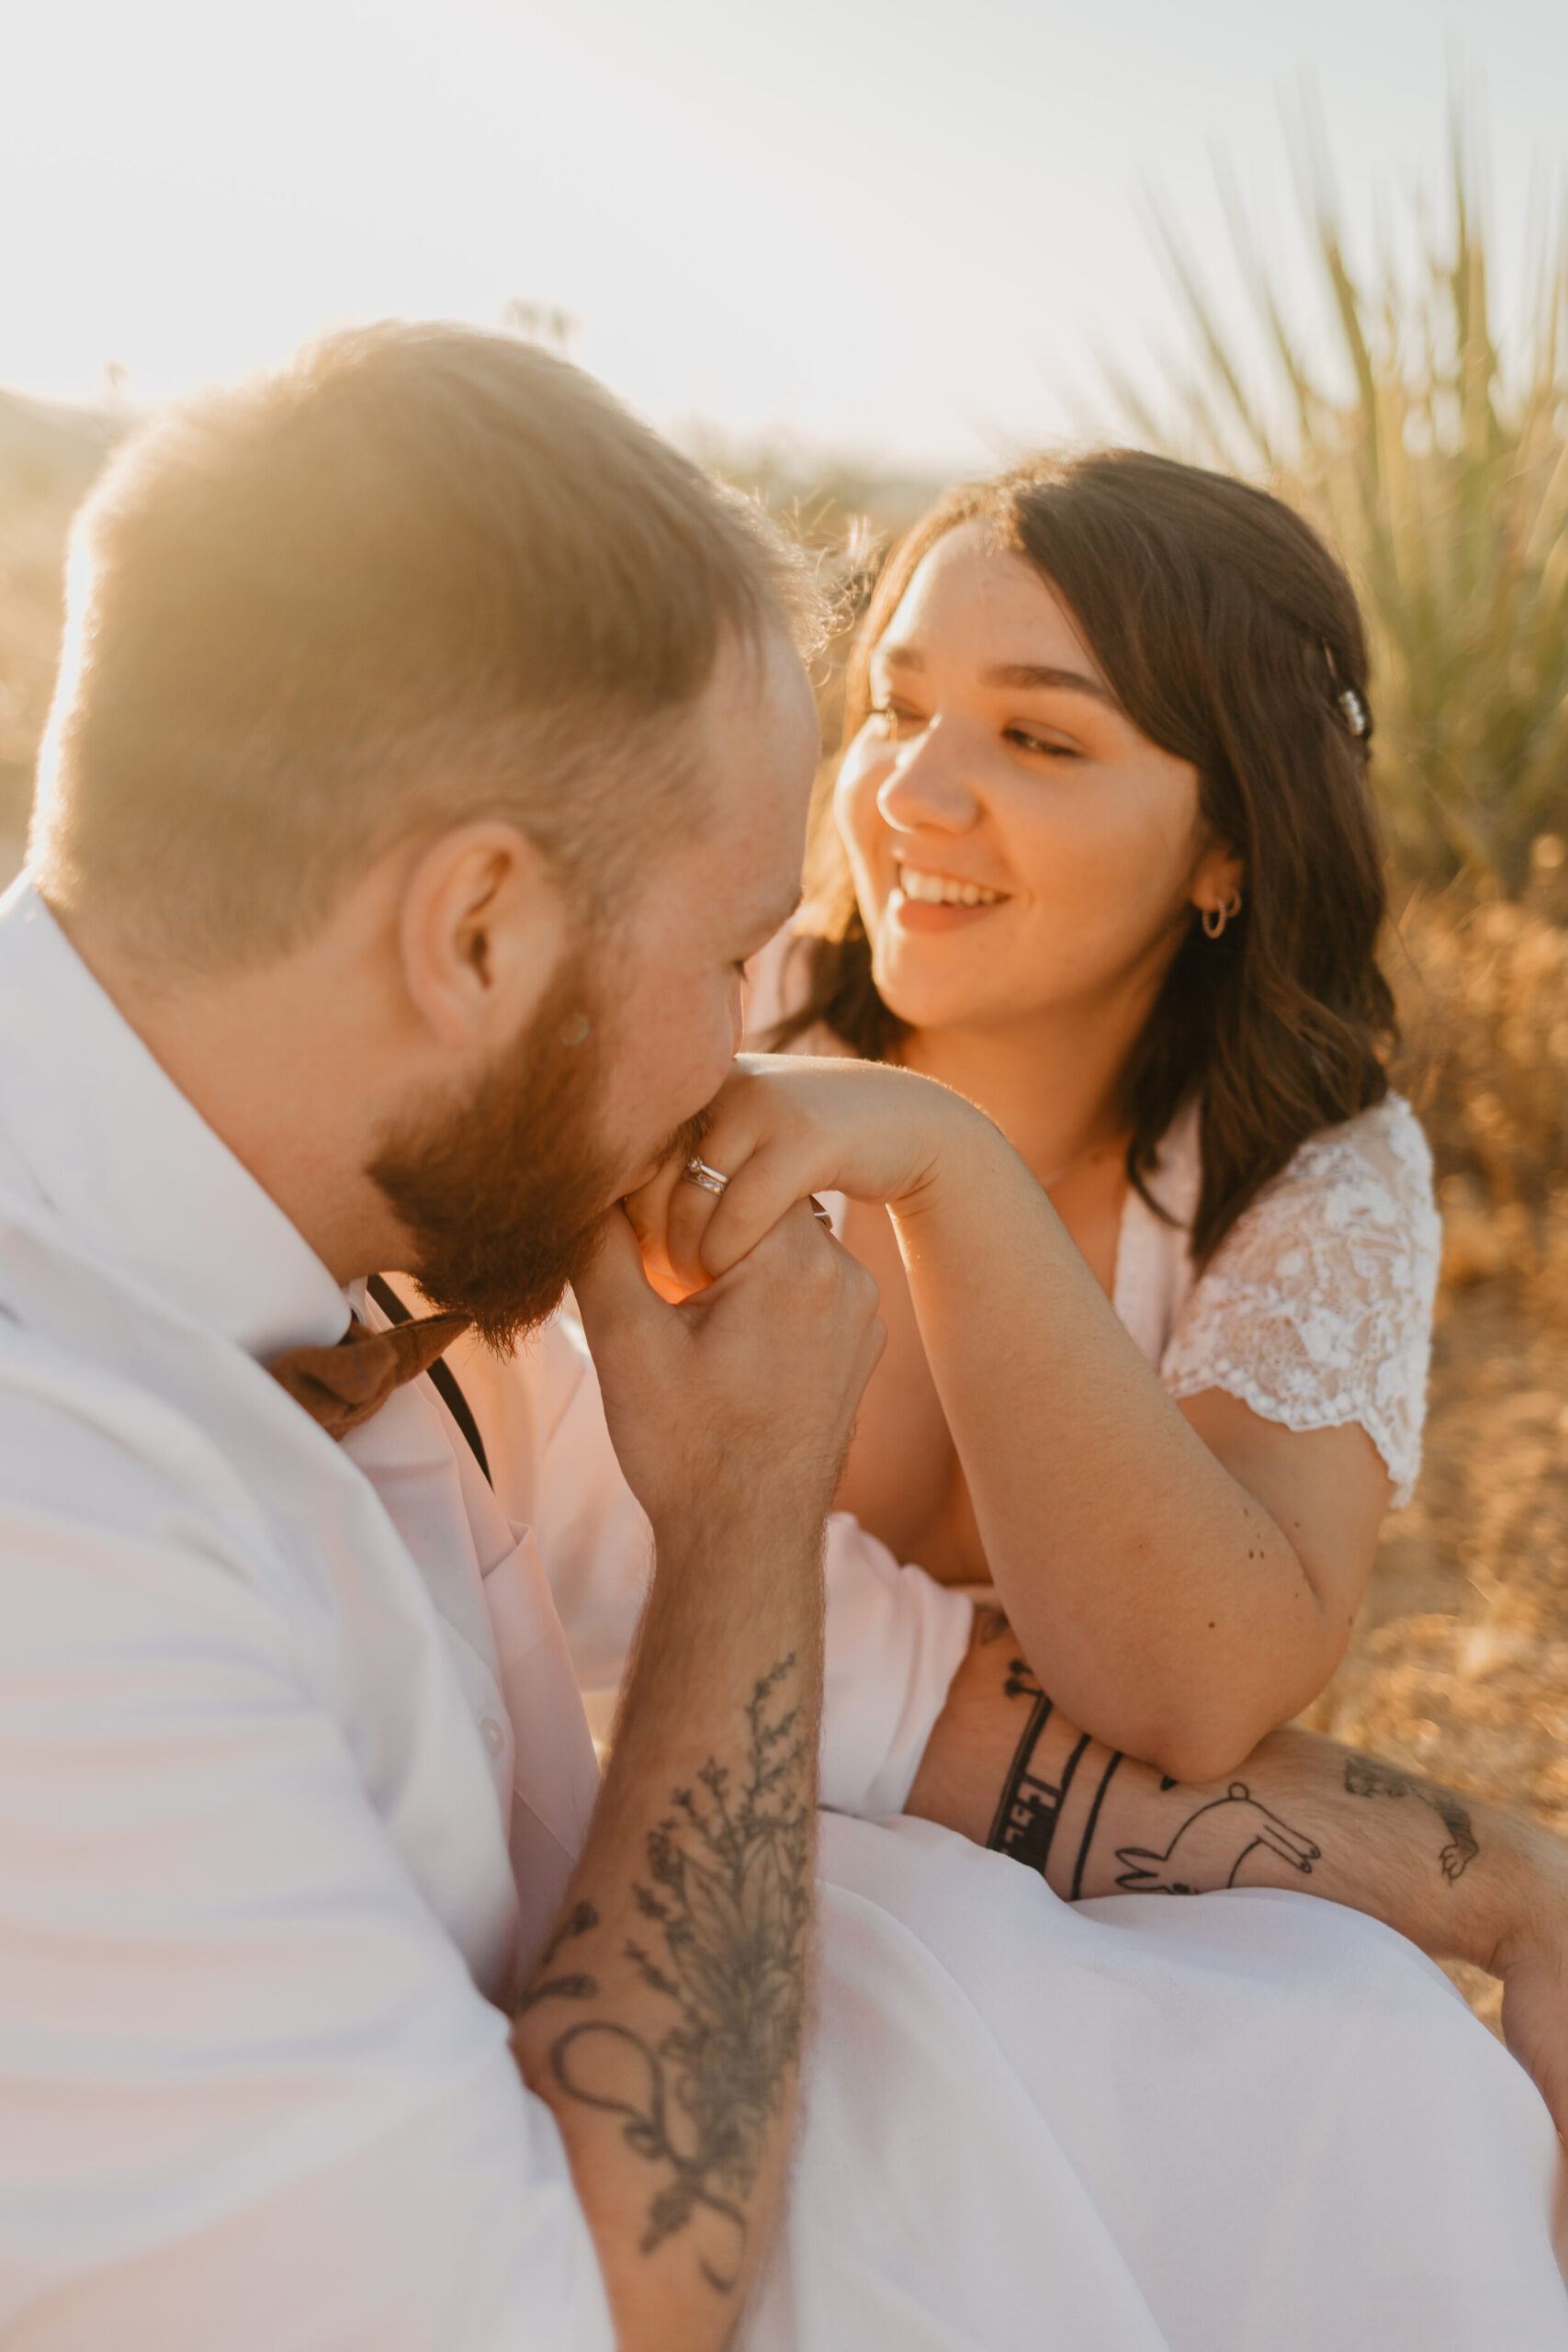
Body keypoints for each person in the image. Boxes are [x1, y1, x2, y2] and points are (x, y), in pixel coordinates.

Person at [0, 325, 1563, 2352]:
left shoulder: (331, 1206)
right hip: (609, 2159)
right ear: (476, 938)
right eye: (731, 948)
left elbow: (905, 1676)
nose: (771, 997)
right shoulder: (68, 1527)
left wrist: (1476, 1871)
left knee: (1358, 2054)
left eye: (1038, 735)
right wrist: (743, 1498)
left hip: (685, 1984)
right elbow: (575, 2297)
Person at [656, 453, 1436, 1787]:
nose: (907, 797)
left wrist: (950, 1166)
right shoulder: (721, 1000)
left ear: (1227, 843)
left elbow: (1198, 1690)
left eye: (1039, 738)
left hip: (1051, 1873)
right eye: (897, 710)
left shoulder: (1318, 1172)